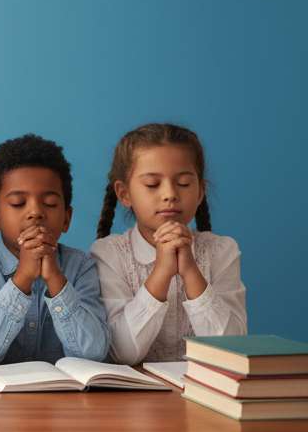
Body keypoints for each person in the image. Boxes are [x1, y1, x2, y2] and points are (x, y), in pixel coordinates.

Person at [92, 123, 245, 364]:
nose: (169, 194)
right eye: (152, 184)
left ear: (199, 191)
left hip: (204, 396)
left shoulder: (222, 251)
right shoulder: (109, 254)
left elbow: (232, 349)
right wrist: (161, 273)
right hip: (133, 399)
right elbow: (122, 353)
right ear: (124, 194)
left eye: (183, 183)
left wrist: (191, 271)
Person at [0, 134, 109, 365]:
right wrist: (23, 277)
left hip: (61, 399)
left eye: (49, 203)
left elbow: (93, 353)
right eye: (18, 203)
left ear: (66, 219)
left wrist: (56, 279)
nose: (35, 212)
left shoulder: (81, 267)